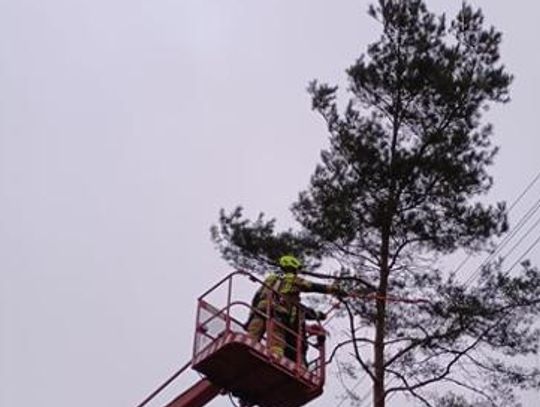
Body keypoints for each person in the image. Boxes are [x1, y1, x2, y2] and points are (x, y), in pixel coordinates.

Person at [246, 254, 342, 358]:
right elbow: (312, 286)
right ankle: (275, 358)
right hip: (278, 312)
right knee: (277, 338)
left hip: (260, 309)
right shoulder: (292, 279)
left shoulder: (270, 279)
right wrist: (333, 289)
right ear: (293, 268)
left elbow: (256, 297)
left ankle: (246, 351)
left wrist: (250, 317)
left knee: (253, 334)